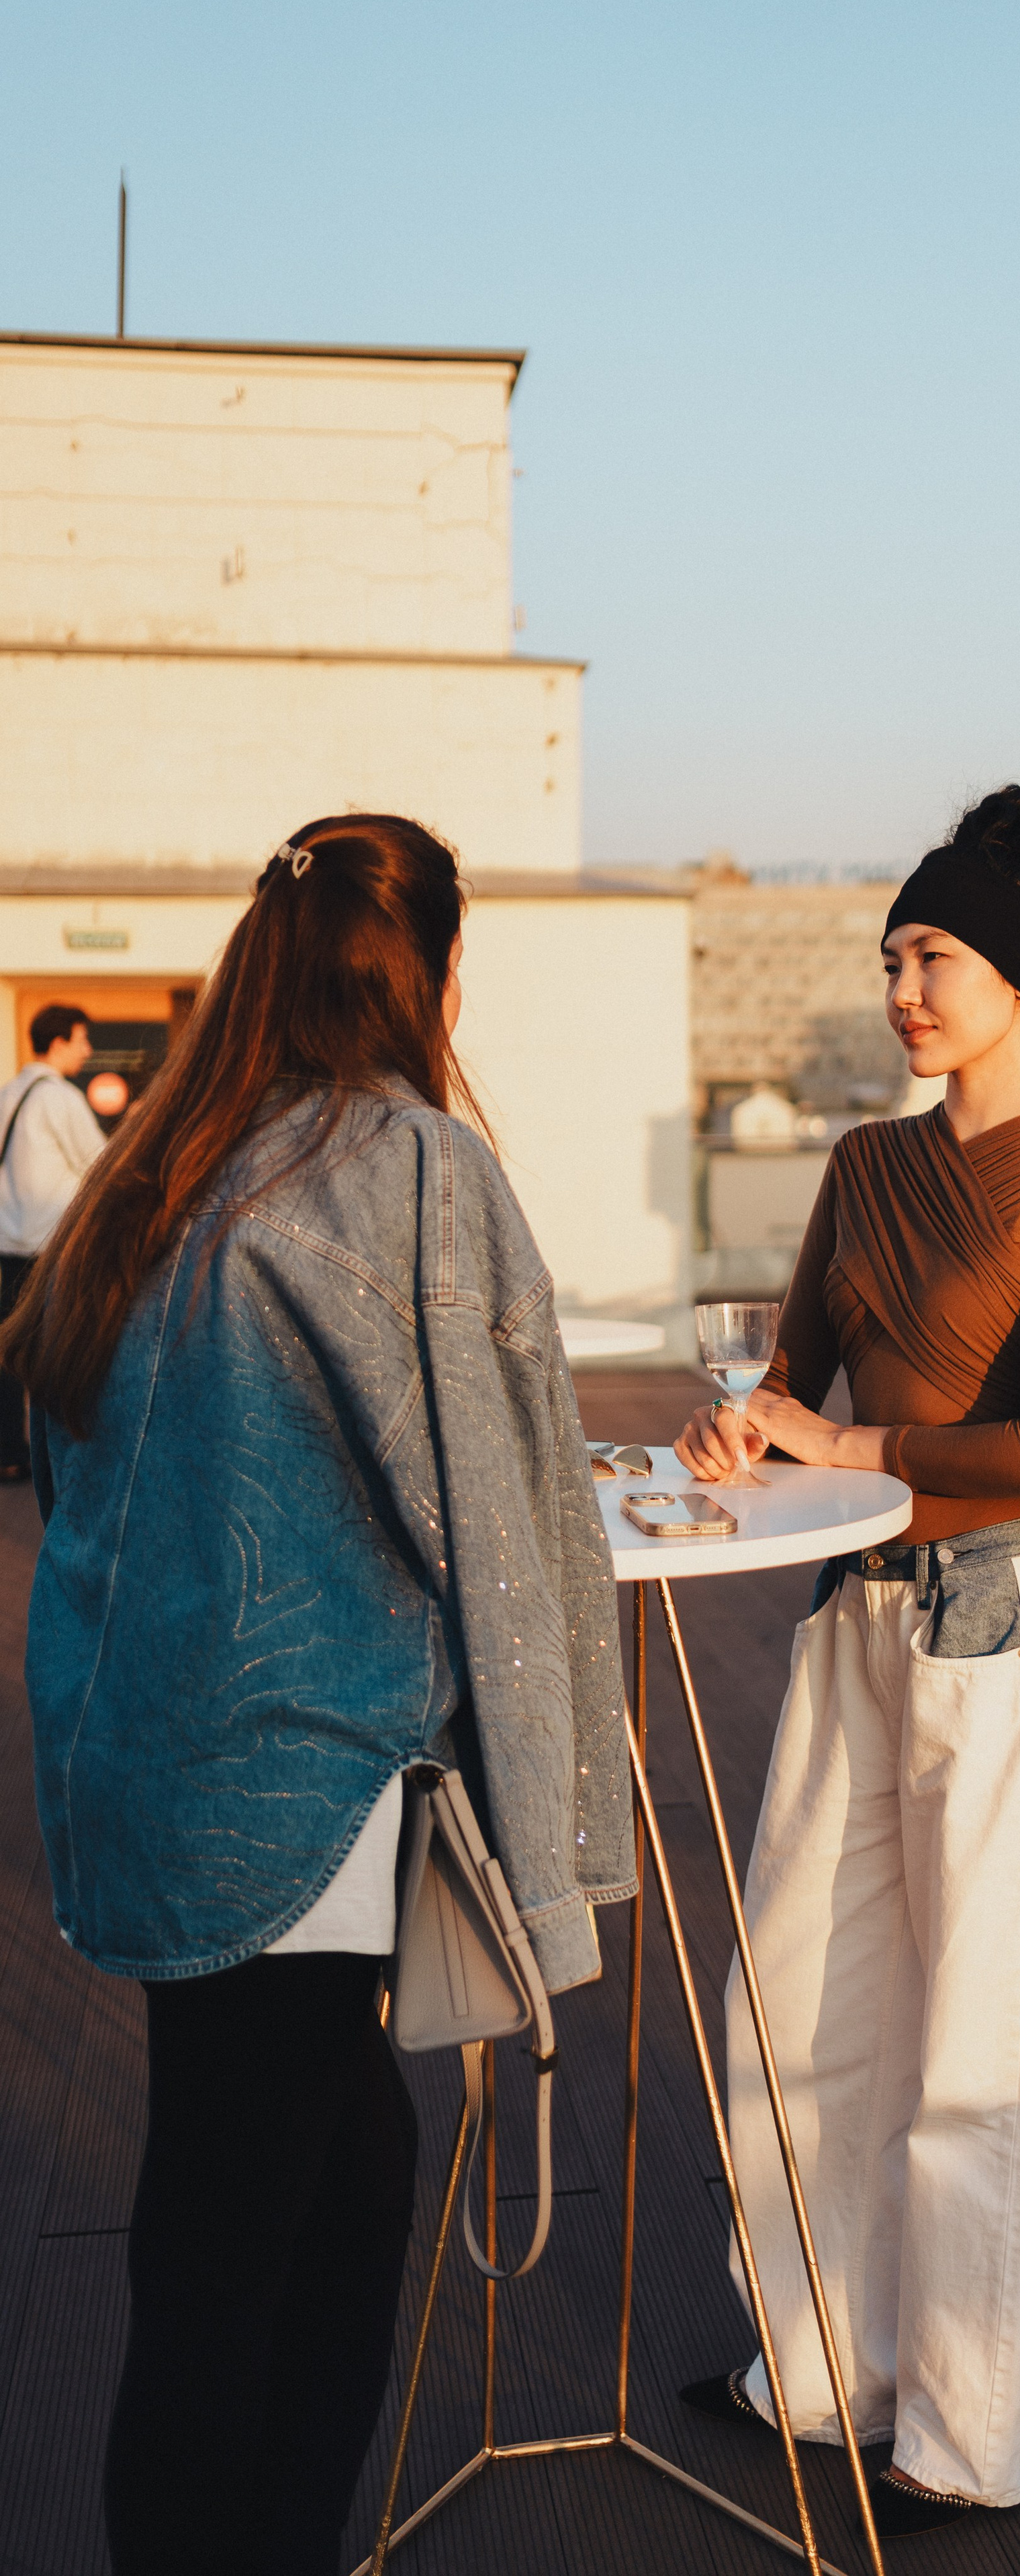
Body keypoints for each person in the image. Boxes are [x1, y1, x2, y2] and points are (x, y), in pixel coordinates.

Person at [0, 817, 635, 2576]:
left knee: (334, 2187)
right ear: (426, 968)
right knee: (229, 2265)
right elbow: (505, 1527)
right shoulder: (413, 1169)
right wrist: (559, 1852)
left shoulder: (158, 1176)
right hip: (301, 1803)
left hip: (156, 1785)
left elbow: (72, 1485)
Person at [673, 785, 1020, 2538]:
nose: (904, 985)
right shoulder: (867, 1167)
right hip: (856, 1630)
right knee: (797, 2009)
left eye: (933, 954)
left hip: (1013, 1643)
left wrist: (834, 1444)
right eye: (892, 956)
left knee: (988, 2042)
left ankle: (965, 2433)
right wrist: (747, 1438)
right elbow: (784, 1370)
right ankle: (810, 2370)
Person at [0, 1004, 105, 1480]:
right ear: (59, 1042)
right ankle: (59, 1456)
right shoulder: (60, 1099)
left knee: (8, 1350)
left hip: (7, 1245)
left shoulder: (7, 1095)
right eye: (82, 1040)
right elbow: (101, 1165)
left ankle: (8, 1452)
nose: (87, 1050)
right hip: (50, 1248)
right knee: (57, 1352)